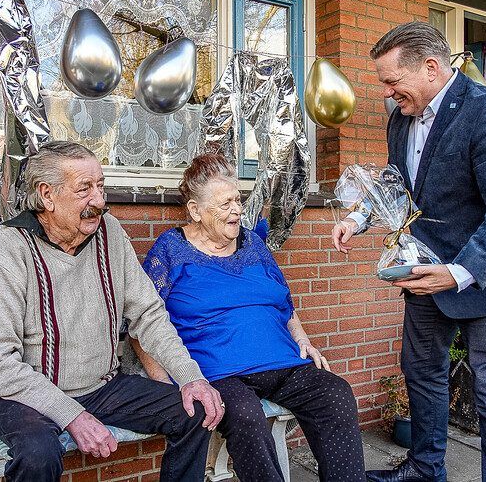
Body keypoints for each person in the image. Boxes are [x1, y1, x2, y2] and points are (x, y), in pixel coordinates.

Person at [332, 22, 486, 482]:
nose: (387, 92)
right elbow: (396, 182)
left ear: (430, 67)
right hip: (425, 274)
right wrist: (357, 219)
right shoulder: (400, 118)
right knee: (421, 373)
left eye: (391, 80)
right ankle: (425, 469)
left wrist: (460, 270)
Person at [0, 141, 224, 482]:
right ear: (47, 195)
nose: (99, 201)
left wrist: (191, 376)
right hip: (24, 397)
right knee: (38, 454)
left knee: (194, 413)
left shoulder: (110, 233)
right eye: (84, 189)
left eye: (101, 186)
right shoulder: (11, 246)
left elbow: (148, 314)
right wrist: (71, 415)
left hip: (101, 387)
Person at [138, 154, 366, 482]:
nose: (237, 209)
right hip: (218, 372)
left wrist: (302, 339)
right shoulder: (171, 249)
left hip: (282, 363)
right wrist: (162, 381)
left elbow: (283, 303)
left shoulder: (254, 244)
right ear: (195, 210)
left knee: (335, 394)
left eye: (238, 200)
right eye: (225, 203)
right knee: (245, 416)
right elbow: (143, 319)